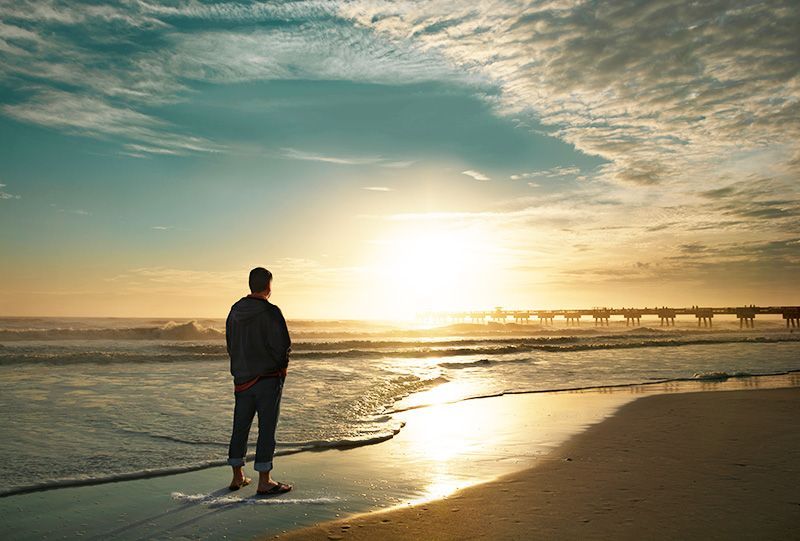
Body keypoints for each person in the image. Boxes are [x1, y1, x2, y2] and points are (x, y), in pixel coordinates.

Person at [225, 267, 292, 495]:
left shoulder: (235, 310)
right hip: (267, 378)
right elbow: (283, 345)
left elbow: (230, 344)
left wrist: (239, 367)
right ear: (268, 286)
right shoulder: (271, 311)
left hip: (242, 378)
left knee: (240, 426)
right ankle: (265, 480)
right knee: (266, 428)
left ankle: (237, 477)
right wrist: (281, 369)